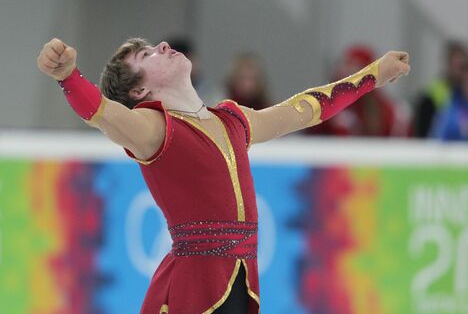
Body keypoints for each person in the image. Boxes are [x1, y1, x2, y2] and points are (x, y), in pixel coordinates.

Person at [36, 37, 410, 314]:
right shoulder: (153, 128)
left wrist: (373, 74)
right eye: (147, 54)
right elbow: (101, 112)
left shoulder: (233, 119)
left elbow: (308, 108)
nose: (163, 45)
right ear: (140, 90)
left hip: (240, 282)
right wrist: (68, 76)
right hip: (192, 288)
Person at [308, 44, 410, 137]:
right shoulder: (323, 106)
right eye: (344, 64)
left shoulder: (391, 112)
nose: (345, 70)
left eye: (353, 65)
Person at [413, 40, 468, 137]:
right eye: (455, 65)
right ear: (447, 63)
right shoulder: (431, 95)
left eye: (462, 67)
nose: (458, 71)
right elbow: (422, 131)